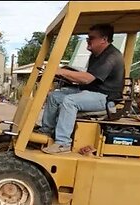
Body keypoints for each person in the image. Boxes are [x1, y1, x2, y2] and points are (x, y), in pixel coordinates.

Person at [38, 23, 125, 154]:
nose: (88, 41)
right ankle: (46, 132)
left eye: (91, 38)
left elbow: (87, 78)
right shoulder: (96, 55)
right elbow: (86, 79)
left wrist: (61, 72)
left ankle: (63, 143)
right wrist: (66, 74)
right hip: (92, 92)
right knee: (54, 96)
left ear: (104, 39)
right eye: (87, 38)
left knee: (70, 101)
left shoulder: (111, 56)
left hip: (106, 98)